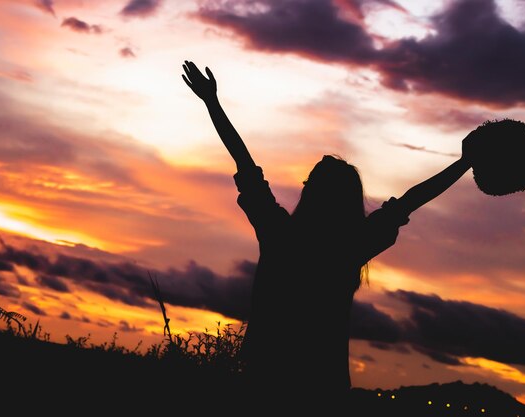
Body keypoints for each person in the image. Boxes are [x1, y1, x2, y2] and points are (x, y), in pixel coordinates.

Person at [182, 60, 473, 412]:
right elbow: (411, 200)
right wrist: (462, 163)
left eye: (312, 179)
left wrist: (212, 103)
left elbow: (244, 163)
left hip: (264, 383)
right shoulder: (351, 246)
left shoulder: (280, 233)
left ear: (311, 192)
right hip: (325, 390)